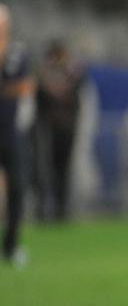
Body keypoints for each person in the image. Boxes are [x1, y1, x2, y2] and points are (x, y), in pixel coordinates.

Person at [34, 40, 86, 221]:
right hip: (48, 128)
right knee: (45, 168)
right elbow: (40, 94)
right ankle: (42, 207)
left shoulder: (70, 73)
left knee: (62, 169)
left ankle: (61, 209)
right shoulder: (44, 74)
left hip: (65, 128)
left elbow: (78, 88)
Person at [0, 5, 34, 264]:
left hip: (10, 132)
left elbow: (24, 86)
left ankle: (11, 246)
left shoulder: (17, 53)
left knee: (18, 188)